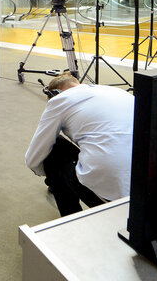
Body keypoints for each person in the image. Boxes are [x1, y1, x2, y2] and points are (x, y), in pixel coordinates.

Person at [25, 74, 133, 217]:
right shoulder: (119, 93)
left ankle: (71, 219)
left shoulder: (59, 100)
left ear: (55, 93)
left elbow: (33, 158)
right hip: (144, 196)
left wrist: (49, 174)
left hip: (111, 200)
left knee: (54, 150)